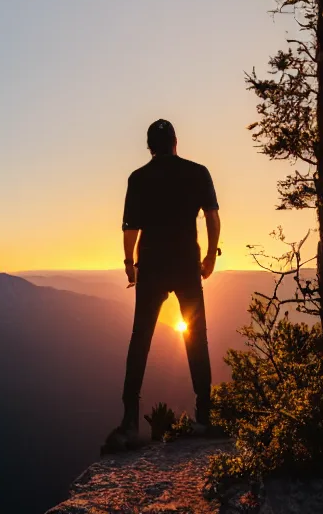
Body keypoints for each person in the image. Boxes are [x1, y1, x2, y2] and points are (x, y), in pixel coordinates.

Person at [103, 119, 221, 452]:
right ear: (175, 142)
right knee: (197, 336)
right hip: (186, 264)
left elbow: (131, 229)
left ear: (150, 147)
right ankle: (205, 413)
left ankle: (129, 418)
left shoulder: (139, 178)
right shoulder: (198, 172)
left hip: (152, 265)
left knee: (140, 338)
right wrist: (211, 256)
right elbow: (212, 216)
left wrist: (130, 265)